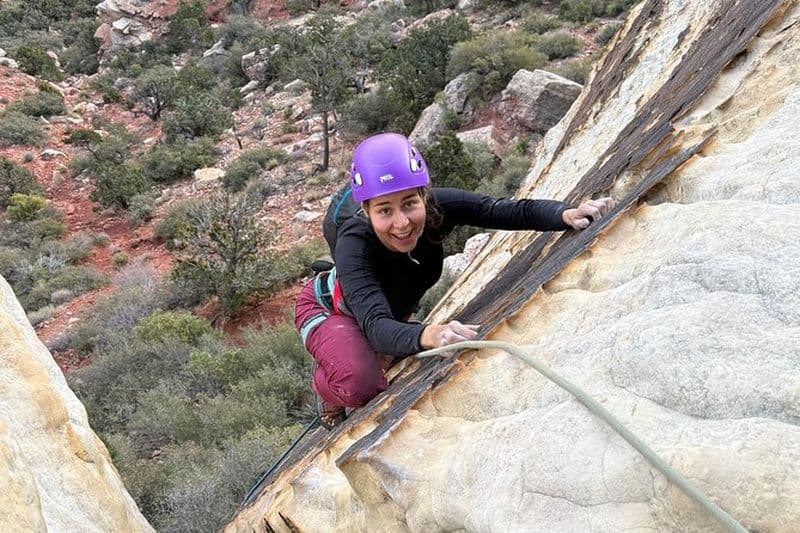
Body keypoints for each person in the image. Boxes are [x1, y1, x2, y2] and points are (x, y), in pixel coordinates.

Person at [295, 132, 614, 428]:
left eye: (409, 203)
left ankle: (354, 354)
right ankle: (325, 387)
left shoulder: (439, 208)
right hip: (327, 310)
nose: (402, 222)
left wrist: (564, 214)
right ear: (366, 211)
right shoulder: (355, 243)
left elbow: (500, 210)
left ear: (423, 194)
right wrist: (430, 334)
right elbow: (377, 326)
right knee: (361, 382)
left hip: (383, 311)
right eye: (384, 211)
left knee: (386, 353)